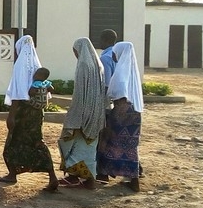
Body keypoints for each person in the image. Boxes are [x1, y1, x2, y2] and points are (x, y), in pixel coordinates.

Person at [0, 36, 59, 191]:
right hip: (37, 112)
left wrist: (11, 115)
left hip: (23, 112)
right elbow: (47, 90)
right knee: (37, 142)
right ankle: (52, 176)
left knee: (13, 143)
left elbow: (18, 93)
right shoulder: (37, 65)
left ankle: (12, 174)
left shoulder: (20, 66)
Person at [57, 37, 106, 190]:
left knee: (71, 143)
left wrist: (74, 114)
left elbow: (80, 93)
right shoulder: (98, 65)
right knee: (89, 147)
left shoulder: (83, 65)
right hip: (96, 112)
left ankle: (75, 177)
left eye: (75, 51)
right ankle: (85, 178)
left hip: (83, 113)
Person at [97, 41, 144, 192]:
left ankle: (104, 173)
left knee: (109, 141)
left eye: (115, 53)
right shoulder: (131, 72)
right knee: (130, 146)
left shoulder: (121, 74)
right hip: (134, 113)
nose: (113, 55)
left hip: (122, 113)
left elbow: (119, 94)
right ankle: (133, 178)